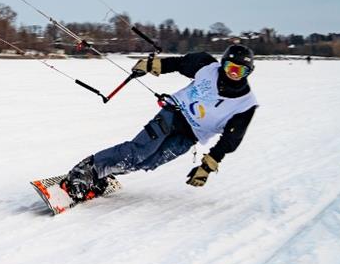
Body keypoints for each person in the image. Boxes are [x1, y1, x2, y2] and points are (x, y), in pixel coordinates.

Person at [61, 44, 258, 201]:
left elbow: (230, 140)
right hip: (173, 114)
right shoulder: (206, 66)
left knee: (149, 162)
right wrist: (150, 65)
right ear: (222, 64)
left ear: (248, 73)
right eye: (230, 68)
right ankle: (87, 170)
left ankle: (102, 174)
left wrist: (206, 168)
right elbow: (179, 64)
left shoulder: (245, 105)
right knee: (139, 151)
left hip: (190, 136)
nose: (232, 74)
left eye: (239, 71)